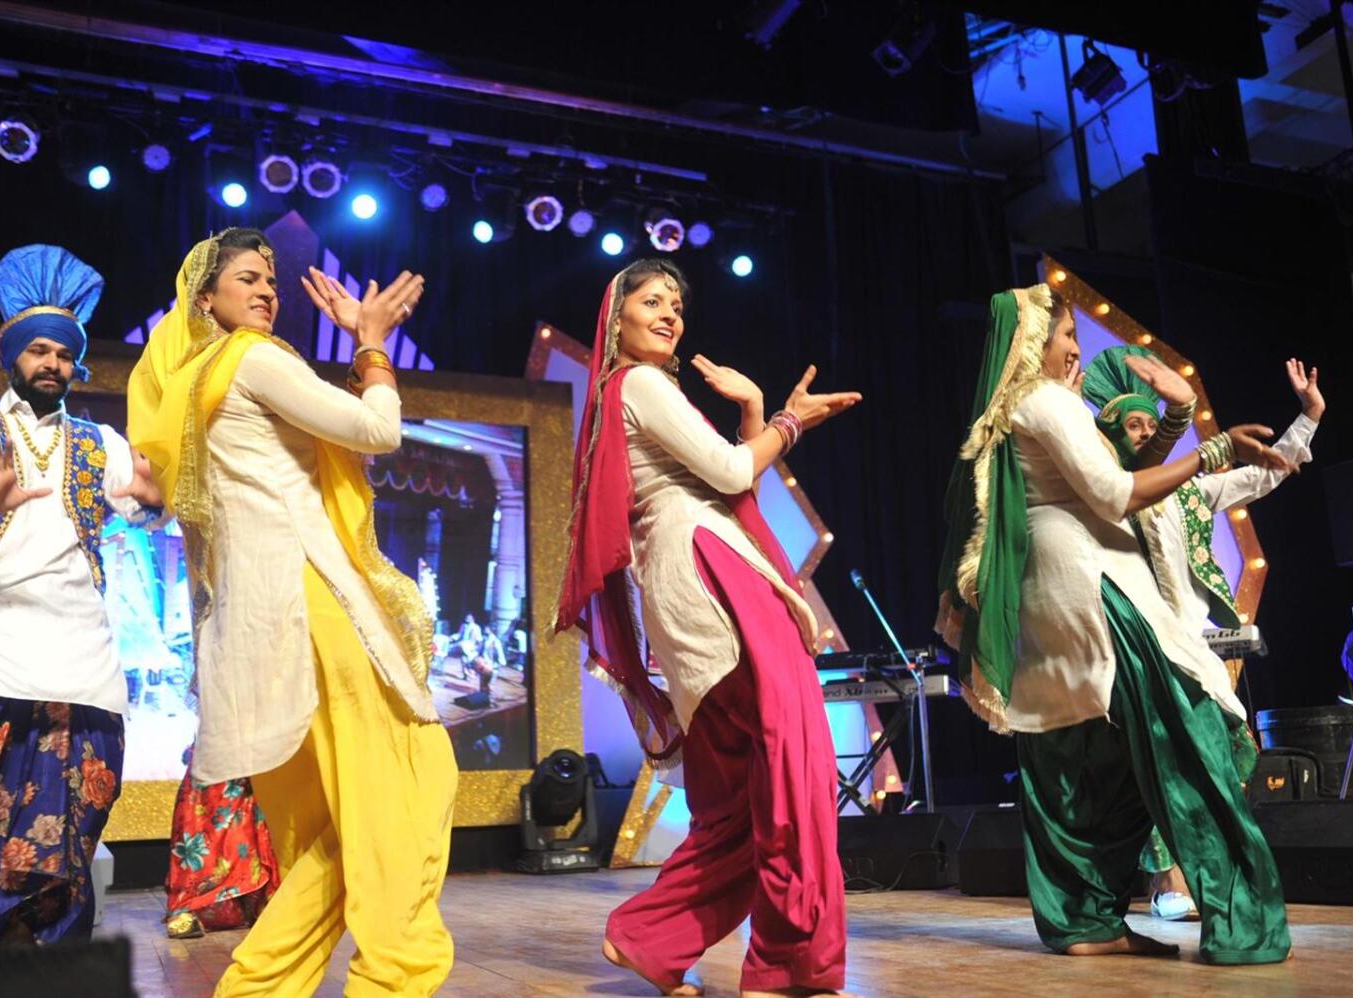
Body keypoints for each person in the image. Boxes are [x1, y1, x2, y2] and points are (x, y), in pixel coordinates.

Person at [126, 229, 455, 996]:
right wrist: (373, 347)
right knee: (413, 783)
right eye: (247, 279)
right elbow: (379, 430)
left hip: (259, 627)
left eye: (270, 279)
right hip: (313, 607)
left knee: (338, 837)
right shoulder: (254, 358)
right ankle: (394, 978)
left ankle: (257, 988)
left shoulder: (194, 381)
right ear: (205, 299)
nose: (266, 291)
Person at [936, 284, 1293, 964]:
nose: (1075, 350)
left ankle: (1085, 922)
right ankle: (1240, 919)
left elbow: (1117, 468)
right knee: (1186, 738)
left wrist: (1173, 421)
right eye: (1066, 335)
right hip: (1096, 590)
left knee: (1081, 764)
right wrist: (1214, 452)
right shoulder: (1043, 403)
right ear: (1035, 339)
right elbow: (1116, 491)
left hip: (1048, 604)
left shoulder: (1006, 413)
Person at [554, 258, 860, 997]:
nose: (669, 314)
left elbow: (729, 480)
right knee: (793, 767)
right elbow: (728, 474)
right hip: (713, 586)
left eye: (677, 306)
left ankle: (650, 937)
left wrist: (759, 411)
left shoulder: (626, 394)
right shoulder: (642, 384)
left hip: (691, 586)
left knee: (753, 794)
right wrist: (789, 424)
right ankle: (789, 963)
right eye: (651, 300)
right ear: (616, 317)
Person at [0, 244, 163, 947]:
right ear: (12, 355)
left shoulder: (99, 441)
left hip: (72, 655)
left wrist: (155, 504)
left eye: (63, 354)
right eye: (39, 353)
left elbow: (144, 505)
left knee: (73, 814)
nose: (52, 364)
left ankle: (39, 961)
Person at [1081, 345, 1323, 920]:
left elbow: (1263, 473)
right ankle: (1169, 882)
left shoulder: (1187, 492)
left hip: (1187, 644)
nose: (1143, 433)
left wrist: (1309, 415)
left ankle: (1199, 870)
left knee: (1230, 748)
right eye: (1131, 425)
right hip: (1135, 646)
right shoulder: (1107, 494)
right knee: (1164, 759)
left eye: (1149, 421)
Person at [163, 743, 280, 939]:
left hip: (261, 739)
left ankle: (260, 899)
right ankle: (187, 904)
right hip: (220, 739)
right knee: (202, 811)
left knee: (253, 817)